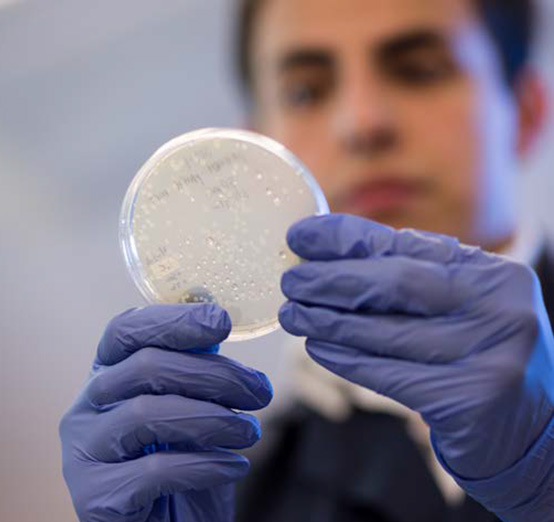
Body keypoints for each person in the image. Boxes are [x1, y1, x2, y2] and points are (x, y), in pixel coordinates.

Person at [59, 0, 554, 521]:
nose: (360, 124)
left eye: (418, 71)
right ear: (258, 149)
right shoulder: (240, 493)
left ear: (524, 112)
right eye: (305, 92)